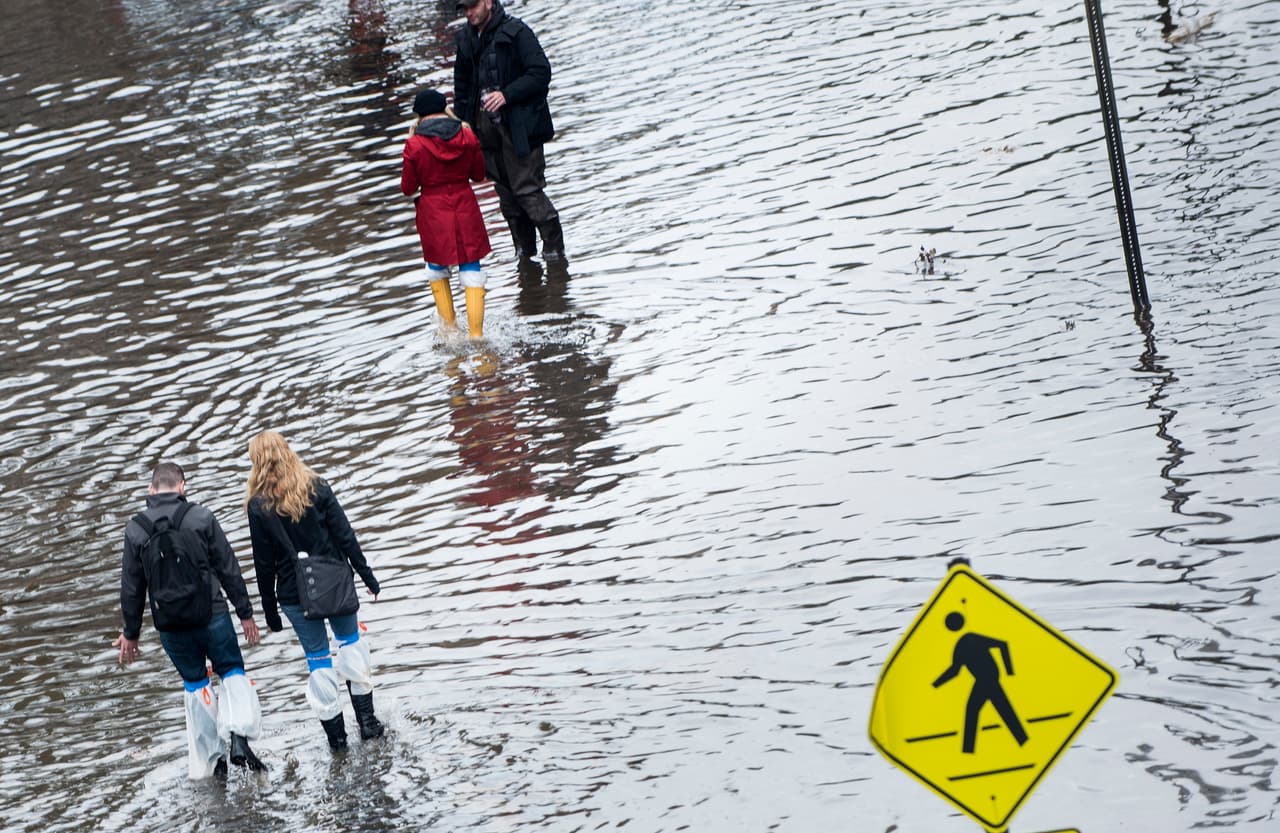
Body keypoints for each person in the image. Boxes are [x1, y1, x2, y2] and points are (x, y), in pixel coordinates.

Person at [116, 461, 267, 779]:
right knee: (231, 673)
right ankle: (238, 740)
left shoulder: (136, 528)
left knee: (197, 686)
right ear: (182, 486)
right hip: (212, 614)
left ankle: (215, 765)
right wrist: (245, 613)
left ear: (151, 489)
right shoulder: (201, 517)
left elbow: (132, 587)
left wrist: (131, 633)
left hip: (171, 626)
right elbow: (228, 567)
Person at [243, 431, 385, 752]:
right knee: (351, 646)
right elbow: (345, 536)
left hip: (295, 593)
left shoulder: (258, 507)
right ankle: (369, 725)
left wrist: (268, 611)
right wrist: (367, 576)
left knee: (318, 660)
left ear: (257, 463)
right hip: (335, 581)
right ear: (287, 451)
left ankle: (337, 743)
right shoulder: (317, 486)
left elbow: (263, 563)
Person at [452, 0, 564, 262]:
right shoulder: (465, 40)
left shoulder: (517, 32)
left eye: (472, 7)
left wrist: (506, 95)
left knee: (527, 190)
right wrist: (463, 126)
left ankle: (554, 252)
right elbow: (462, 87)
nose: (468, 13)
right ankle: (524, 253)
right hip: (485, 131)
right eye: (464, 9)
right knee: (507, 196)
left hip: (521, 129)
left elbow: (540, 73)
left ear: (488, 3)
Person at [401, 88, 492, 338]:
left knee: (437, 267)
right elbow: (477, 174)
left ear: (419, 116)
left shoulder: (414, 144)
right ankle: (476, 336)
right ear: (444, 109)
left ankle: (449, 330)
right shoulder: (467, 135)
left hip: (433, 212)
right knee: (471, 267)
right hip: (465, 206)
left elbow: (408, 188)